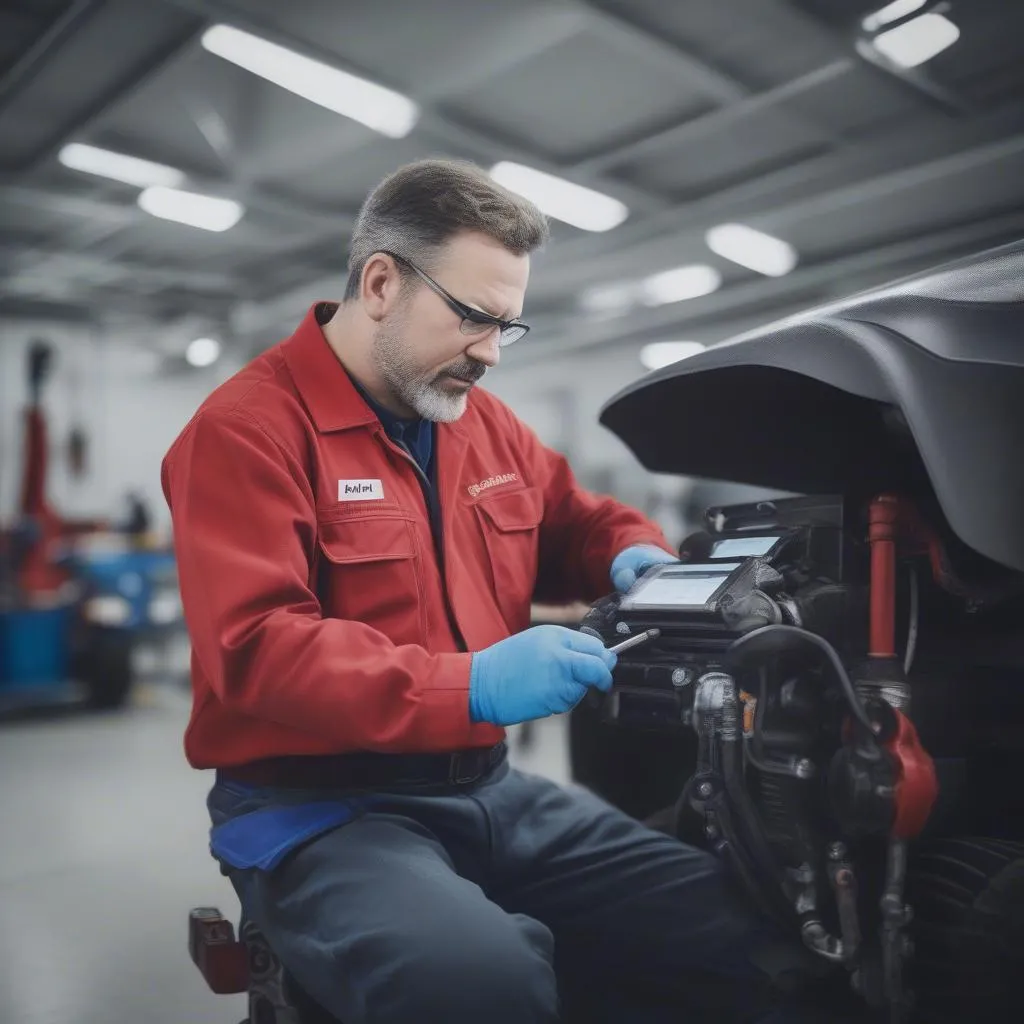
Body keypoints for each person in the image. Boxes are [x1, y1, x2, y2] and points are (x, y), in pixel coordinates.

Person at [162, 159, 816, 1023]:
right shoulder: (247, 433)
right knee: (476, 987)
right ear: (383, 282)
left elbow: (577, 519)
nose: (491, 353)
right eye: (473, 317)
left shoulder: (479, 420)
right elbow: (260, 650)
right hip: (321, 807)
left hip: (487, 789)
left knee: (734, 921)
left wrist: (639, 556)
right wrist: (470, 684)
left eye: (510, 325)